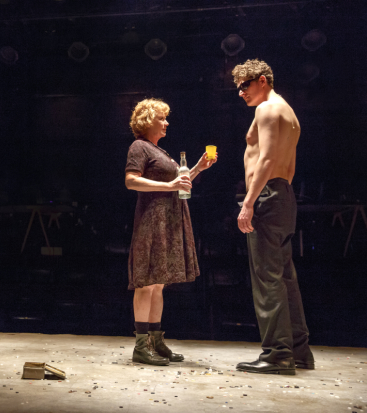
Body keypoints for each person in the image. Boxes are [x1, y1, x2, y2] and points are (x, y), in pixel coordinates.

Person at [232, 59, 313, 375]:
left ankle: (277, 354)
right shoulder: (289, 112)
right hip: (283, 195)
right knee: (285, 278)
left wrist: (249, 201)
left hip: (267, 195)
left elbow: (265, 158)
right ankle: (298, 352)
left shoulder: (265, 110)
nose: (241, 93)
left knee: (266, 278)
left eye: (245, 86)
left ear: (262, 80)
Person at [124, 98, 217, 365]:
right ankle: (141, 347)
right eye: (161, 118)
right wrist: (169, 186)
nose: (166, 123)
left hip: (168, 219)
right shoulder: (139, 147)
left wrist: (198, 167)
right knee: (146, 283)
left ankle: (156, 341)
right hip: (153, 220)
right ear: (147, 121)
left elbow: (179, 184)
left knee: (158, 284)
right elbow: (131, 181)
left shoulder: (159, 150)